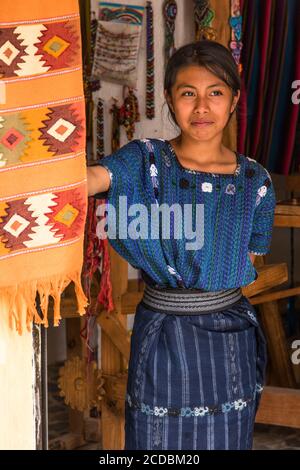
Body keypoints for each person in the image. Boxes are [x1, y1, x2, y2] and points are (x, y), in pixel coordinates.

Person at [87, 40, 276, 450]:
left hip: (231, 338)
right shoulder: (145, 162)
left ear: (234, 100)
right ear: (171, 100)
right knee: (158, 443)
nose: (202, 107)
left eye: (216, 93)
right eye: (189, 93)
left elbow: (246, 258)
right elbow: (95, 180)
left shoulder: (255, 182)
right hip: (164, 339)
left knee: (228, 437)